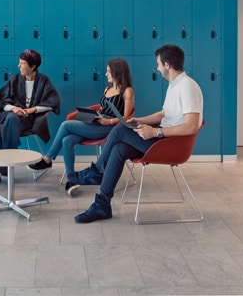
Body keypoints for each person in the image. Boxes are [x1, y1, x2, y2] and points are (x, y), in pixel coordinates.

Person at [69, 44, 203, 223]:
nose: (157, 68)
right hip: (161, 139)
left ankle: (97, 171)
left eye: (158, 63)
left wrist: (157, 132)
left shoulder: (187, 87)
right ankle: (102, 205)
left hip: (170, 145)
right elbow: (163, 114)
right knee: (119, 149)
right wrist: (140, 120)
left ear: (167, 64)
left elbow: (191, 126)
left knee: (119, 130)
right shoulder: (174, 85)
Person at [28, 58, 135, 196]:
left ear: (117, 72)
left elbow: (126, 117)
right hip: (98, 122)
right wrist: (94, 115)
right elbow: (103, 108)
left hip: (111, 128)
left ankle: (48, 159)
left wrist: (108, 122)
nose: (106, 74)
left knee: (65, 125)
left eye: (109, 71)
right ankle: (72, 179)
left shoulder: (127, 91)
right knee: (67, 140)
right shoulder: (108, 88)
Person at [0, 48, 60, 185]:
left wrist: (31, 110)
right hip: (11, 116)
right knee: (9, 119)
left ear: (33, 66)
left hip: (30, 120)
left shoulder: (43, 81)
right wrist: (14, 108)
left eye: (22, 63)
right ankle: (7, 162)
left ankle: (0, 167)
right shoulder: (15, 79)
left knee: (5, 125)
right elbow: (0, 100)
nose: (19, 66)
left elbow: (53, 102)